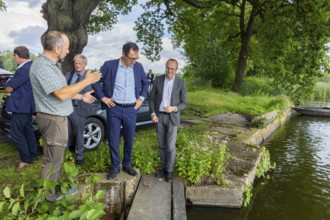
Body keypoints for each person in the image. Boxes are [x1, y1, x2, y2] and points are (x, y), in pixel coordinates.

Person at [30, 31, 101, 201]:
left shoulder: (52, 65)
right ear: (57, 48)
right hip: (52, 119)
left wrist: (81, 96)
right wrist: (86, 81)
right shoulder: (43, 66)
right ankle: (47, 197)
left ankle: (54, 191)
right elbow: (61, 94)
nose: (68, 51)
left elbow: (61, 92)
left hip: (57, 118)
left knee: (56, 158)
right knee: (52, 160)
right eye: (67, 48)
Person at [92, 42, 149, 180]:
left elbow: (146, 83)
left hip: (131, 109)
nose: (134, 61)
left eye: (136, 58)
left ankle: (127, 165)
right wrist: (103, 97)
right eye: (131, 58)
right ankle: (115, 167)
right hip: (114, 108)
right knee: (113, 138)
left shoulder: (138, 67)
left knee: (129, 138)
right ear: (123, 54)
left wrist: (141, 98)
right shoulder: (109, 65)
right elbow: (94, 81)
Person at [149, 58, 187, 183]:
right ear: (165, 67)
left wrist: (174, 108)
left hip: (172, 117)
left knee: (170, 147)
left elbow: (184, 103)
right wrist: (153, 113)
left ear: (176, 69)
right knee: (162, 146)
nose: (169, 70)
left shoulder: (181, 82)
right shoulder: (158, 79)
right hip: (159, 117)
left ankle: (169, 172)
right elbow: (152, 99)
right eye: (167, 68)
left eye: (172, 68)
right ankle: (163, 169)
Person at [5, 46, 38, 171]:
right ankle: (33, 156)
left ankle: (25, 160)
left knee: (16, 133)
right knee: (28, 131)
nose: (14, 59)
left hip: (21, 107)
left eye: (14, 57)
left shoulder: (24, 69)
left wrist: (10, 83)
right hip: (27, 106)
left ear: (17, 56)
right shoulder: (31, 66)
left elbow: (9, 87)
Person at [65, 54, 93, 165]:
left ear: (85, 64)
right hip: (67, 107)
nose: (77, 65)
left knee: (78, 133)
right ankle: (65, 155)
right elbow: (64, 90)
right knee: (66, 133)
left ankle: (79, 157)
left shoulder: (89, 77)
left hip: (80, 108)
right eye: (76, 63)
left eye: (79, 63)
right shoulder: (68, 75)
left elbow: (90, 91)